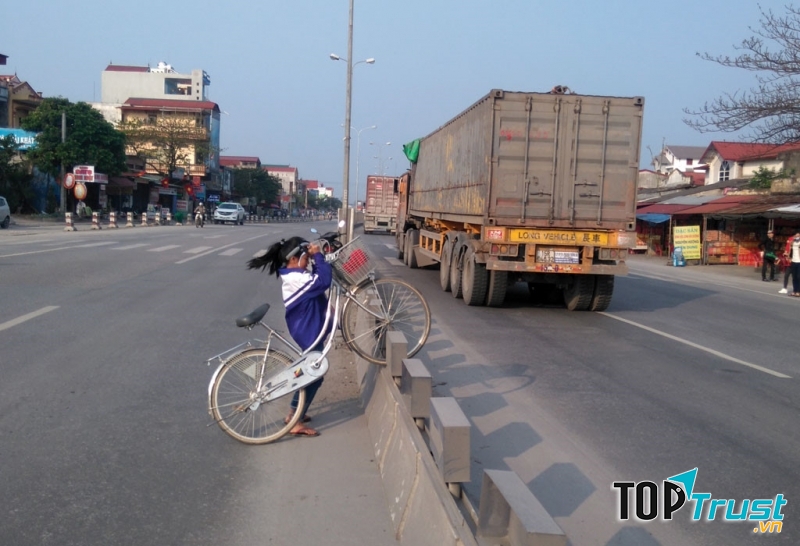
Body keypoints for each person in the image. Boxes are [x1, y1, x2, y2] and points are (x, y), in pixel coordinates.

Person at [246, 236, 332, 436]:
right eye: (306, 258)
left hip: (308, 327)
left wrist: (318, 258)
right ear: (294, 259)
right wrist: (318, 255)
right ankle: (295, 419)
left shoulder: (295, 274)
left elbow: (319, 281)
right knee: (314, 373)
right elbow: (324, 281)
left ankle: (296, 413)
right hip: (307, 330)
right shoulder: (297, 278)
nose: (308, 261)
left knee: (312, 370)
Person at [784, 231, 800, 297]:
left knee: (799, 277)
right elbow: (789, 250)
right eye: (796, 235)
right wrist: (788, 257)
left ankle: (798, 291)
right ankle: (794, 291)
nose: (797, 237)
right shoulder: (792, 242)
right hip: (793, 261)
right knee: (794, 277)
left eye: (798, 236)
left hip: (799, 261)